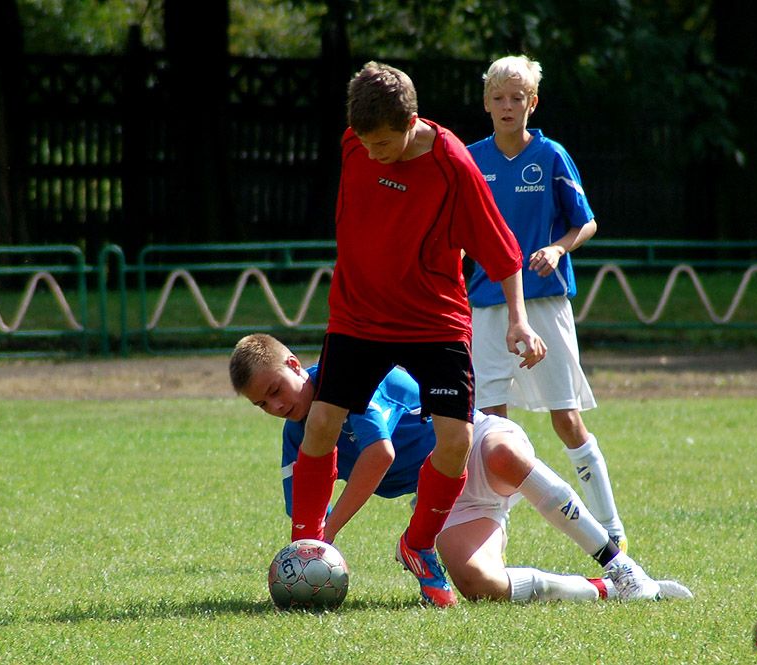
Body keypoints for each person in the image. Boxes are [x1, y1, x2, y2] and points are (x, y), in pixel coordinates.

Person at [288, 61, 547, 608]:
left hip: (434, 321)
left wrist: (519, 320)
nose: (372, 152)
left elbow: (502, 252)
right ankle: (304, 549)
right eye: (364, 141)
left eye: (383, 142)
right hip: (358, 316)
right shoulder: (354, 144)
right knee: (321, 424)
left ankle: (418, 544)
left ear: (411, 122)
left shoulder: (453, 165)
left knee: (455, 442)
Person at [229, 334, 693, 604]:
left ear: (294, 364)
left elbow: (379, 455)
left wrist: (327, 534)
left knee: (503, 456)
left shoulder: (345, 378)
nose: (275, 405)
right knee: (478, 585)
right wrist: (301, 565)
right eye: (261, 404)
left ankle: (621, 564)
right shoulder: (296, 434)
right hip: (442, 496)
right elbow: (302, 520)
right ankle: (608, 590)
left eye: (275, 389)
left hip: (473, 441)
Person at [467, 55, 627, 549]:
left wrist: (558, 247)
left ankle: (612, 530)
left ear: (532, 103)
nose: (508, 105)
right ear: (487, 103)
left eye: (518, 97)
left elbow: (587, 221)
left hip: (544, 301)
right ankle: (493, 534)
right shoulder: (472, 159)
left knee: (566, 416)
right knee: (491, 425)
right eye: (499, 98)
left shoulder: (552, 156)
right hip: (487, 305)